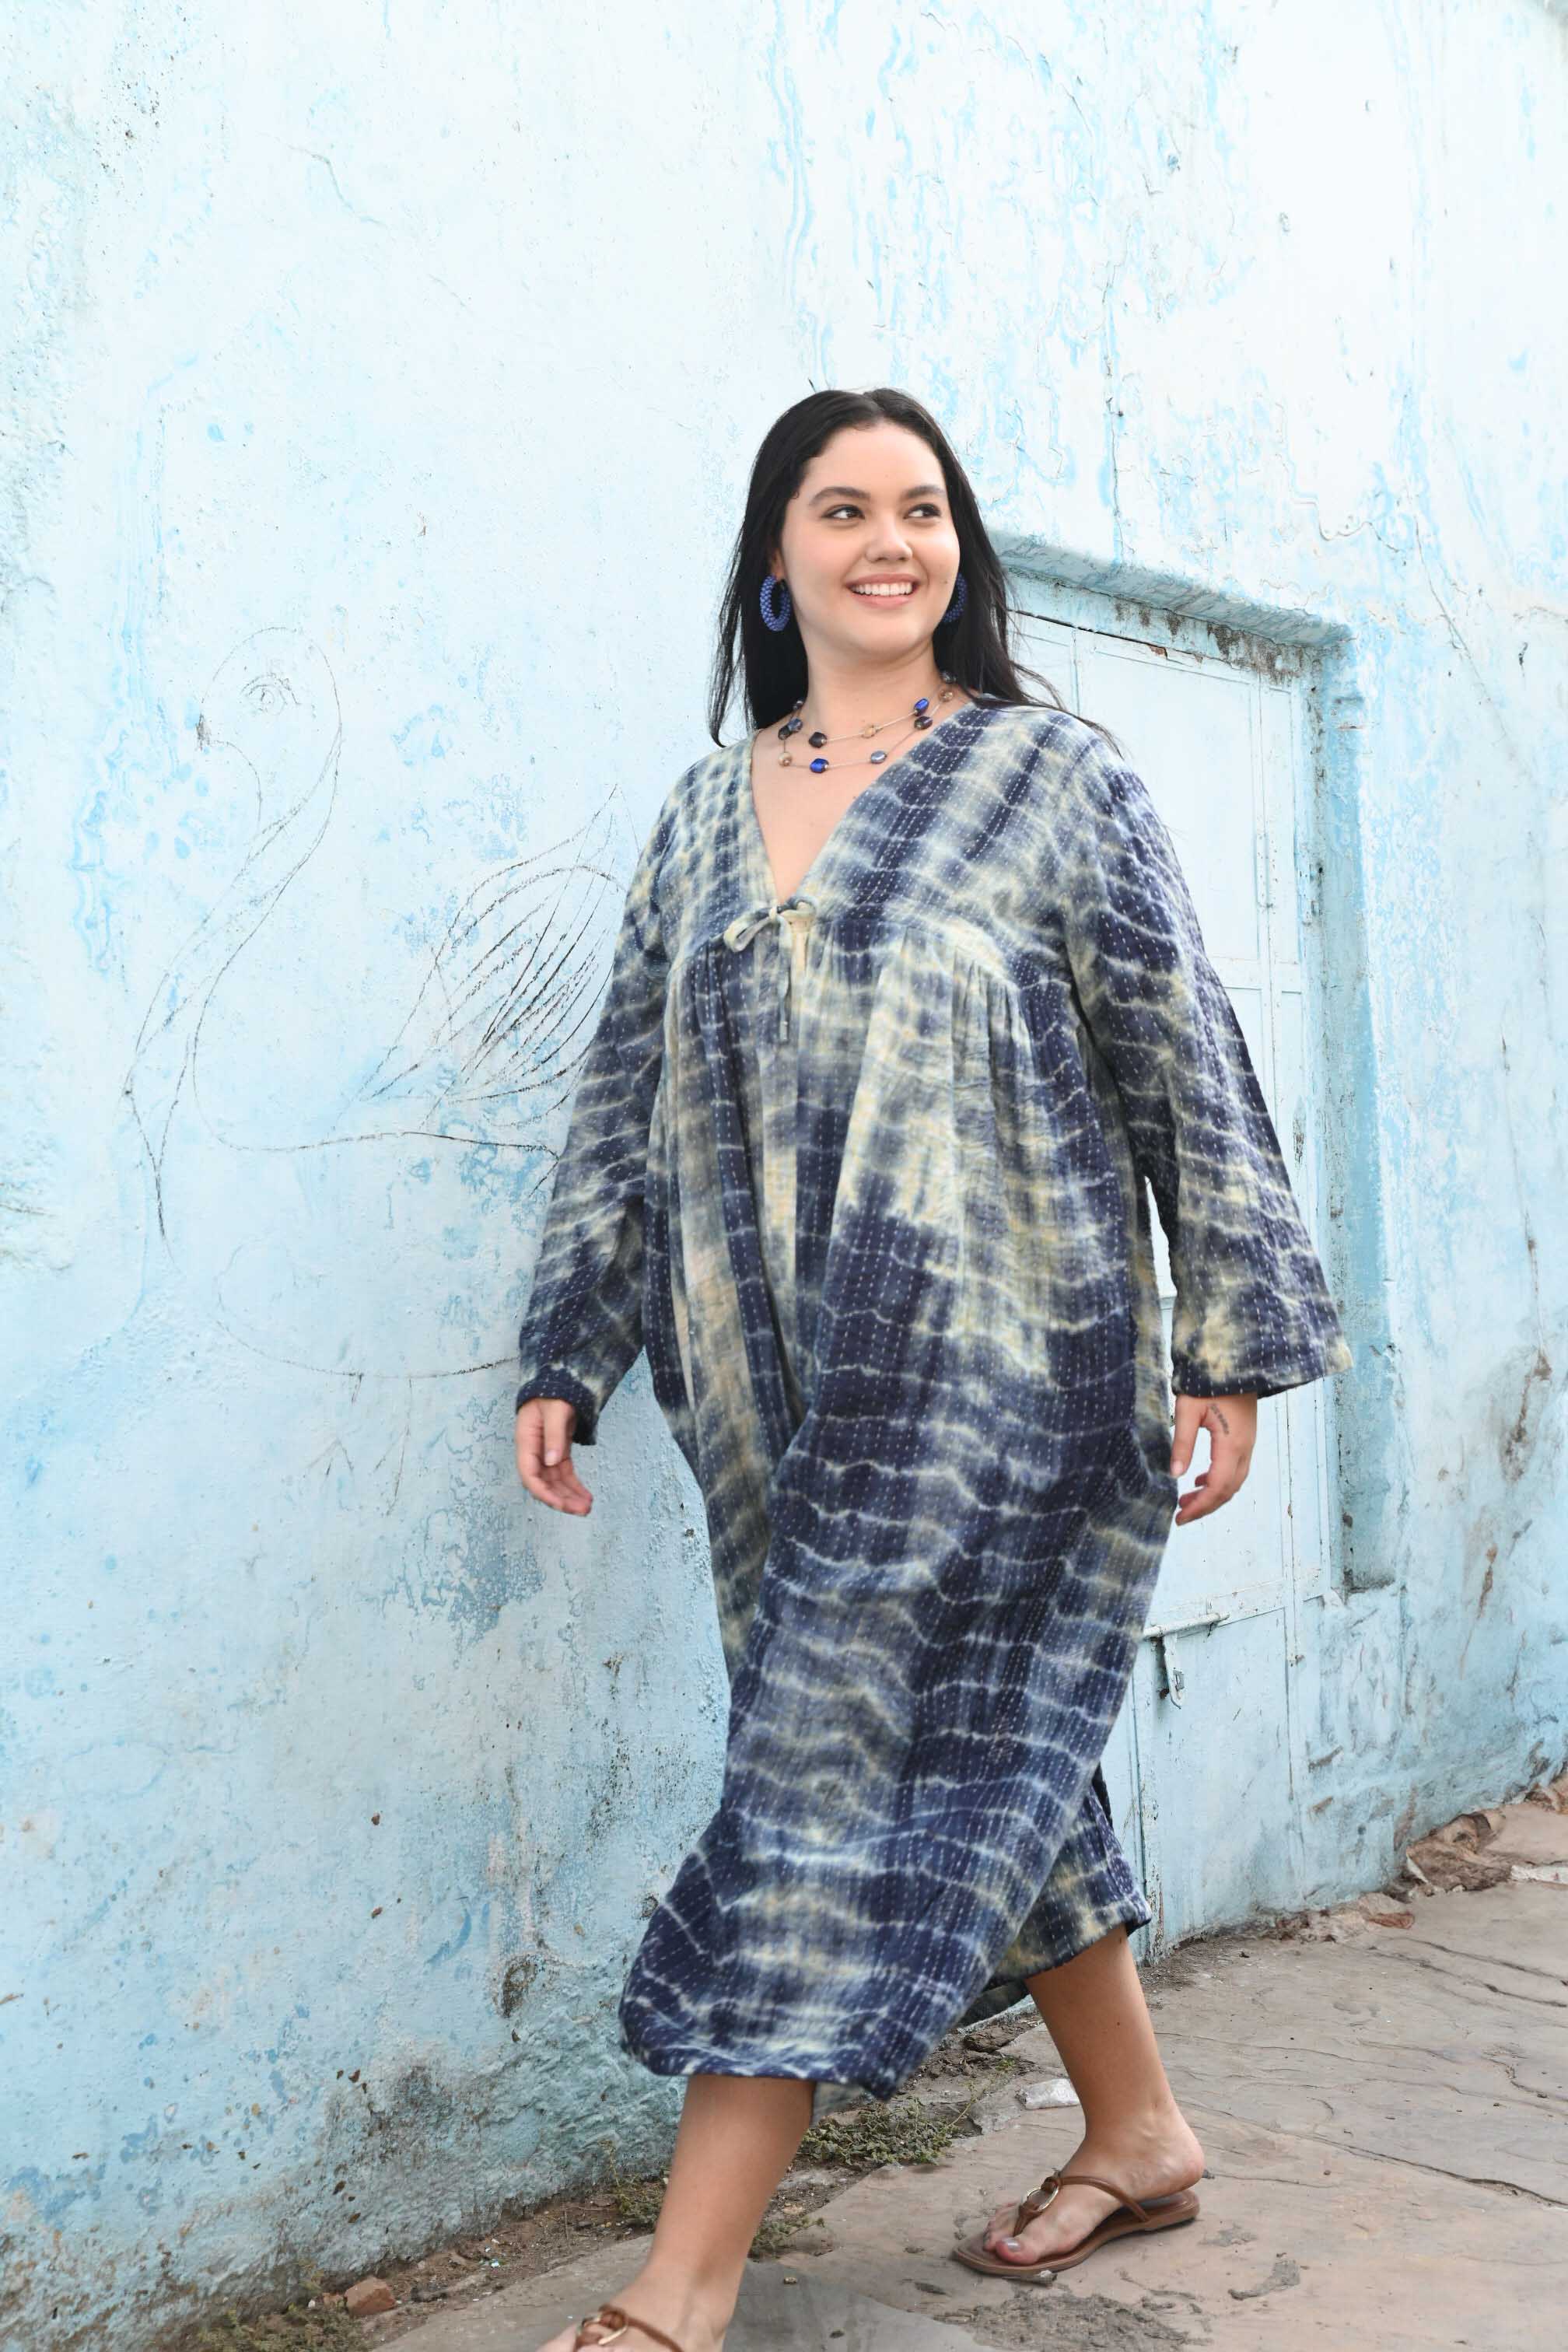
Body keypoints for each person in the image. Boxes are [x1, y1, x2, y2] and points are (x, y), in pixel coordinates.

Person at [513, 387, 1353, 2352]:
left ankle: (683, 2281)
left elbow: (1179, 1045)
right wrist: (574, 1333)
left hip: (1003, 1379)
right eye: (843, 508)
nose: (891, 541)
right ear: (777, 550)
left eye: (924, 508)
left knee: (823, 1771)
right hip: (765, 1395)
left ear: (955, 546)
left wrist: (1224, 1335)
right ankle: (1137, 2128)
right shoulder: (704, 813)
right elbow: (626, 1095)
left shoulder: (1054, 778)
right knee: (969, 1755)